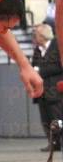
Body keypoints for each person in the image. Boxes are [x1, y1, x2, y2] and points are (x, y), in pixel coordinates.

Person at [31, 24, 63, 152]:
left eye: (36, 34)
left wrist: (39, 70)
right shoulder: (37, 49)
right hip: (42, 90)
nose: (34, 37)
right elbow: (34, 65)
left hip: (55, 89)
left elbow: (59, 66)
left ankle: (57, 141)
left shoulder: (58, 45)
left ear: (42, 35)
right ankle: (53, 143)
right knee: (45, 118)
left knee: (57, 118)